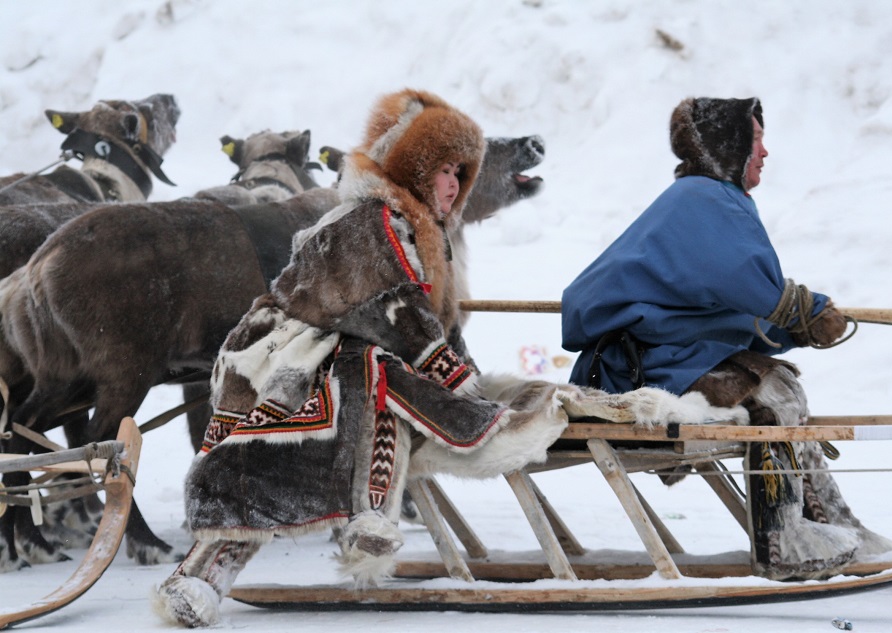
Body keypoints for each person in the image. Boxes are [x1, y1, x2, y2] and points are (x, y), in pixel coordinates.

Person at [154, 89, 745, 627]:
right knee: (355, 390)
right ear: (416, 170)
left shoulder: (420, 236)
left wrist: (471, 380)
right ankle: (216, 571)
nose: (454, 187)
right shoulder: (371, 223)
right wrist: (464, 390)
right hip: (283, 354)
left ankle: (324, 528)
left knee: (388, 382)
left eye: (462, 174)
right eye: (444, 172)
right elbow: (398, 319)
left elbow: (437, 331)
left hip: (341, 352)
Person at [561, 97, 892, 581]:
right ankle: (785, 543)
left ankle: (834, 526)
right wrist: (808, 313)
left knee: (777, 386)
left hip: (668, 355)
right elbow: (752, 284)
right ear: (729, 146)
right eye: (756, 139)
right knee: (774, 394)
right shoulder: (702, 199)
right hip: (641, 366)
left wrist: (794, 328)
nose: (764, 152)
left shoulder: (709, 200)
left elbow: (735, 306)